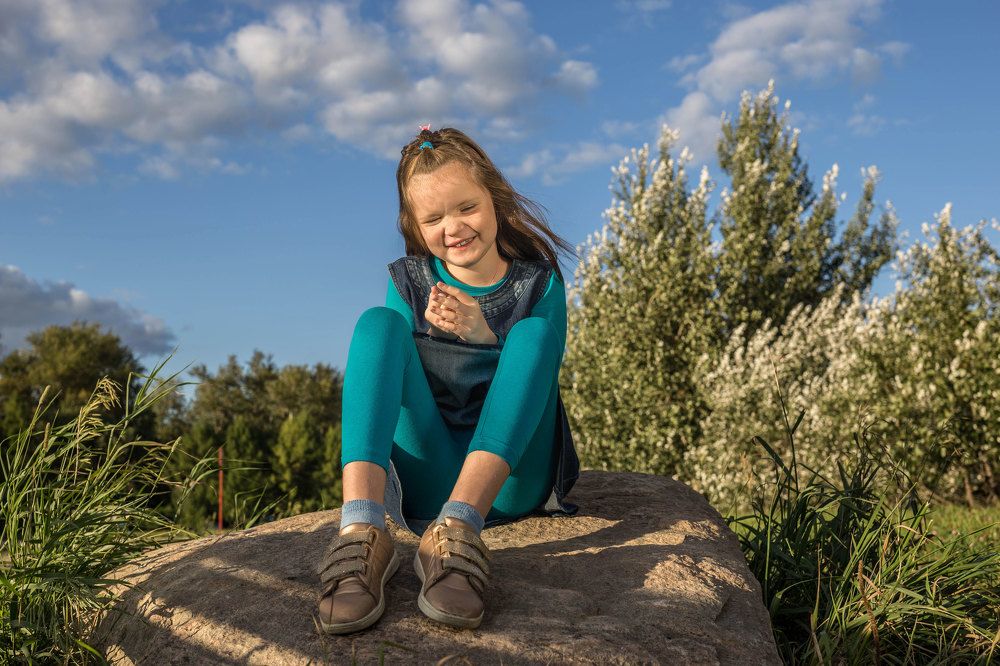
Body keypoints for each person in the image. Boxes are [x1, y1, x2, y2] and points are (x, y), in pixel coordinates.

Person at [315, 125, 581, 635]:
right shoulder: (409, 282)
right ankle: (361, 529)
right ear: (414, 225)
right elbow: (392, 386)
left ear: (495, 200)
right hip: (428, 474)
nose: (453, 227)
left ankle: (458, 530)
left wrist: (486, 334)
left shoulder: (540, 282)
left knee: (534, 337)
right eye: (433, 218)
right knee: (377, 325)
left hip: (507, 482)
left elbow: (541, 381)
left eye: (466, 208)